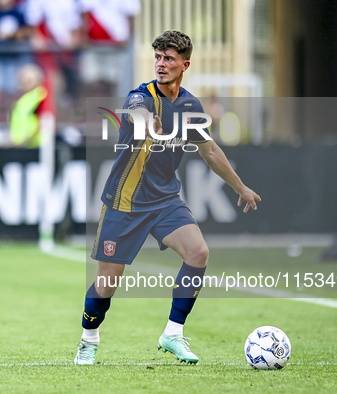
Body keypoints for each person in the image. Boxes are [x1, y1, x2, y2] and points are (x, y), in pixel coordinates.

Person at [74, 30, 261, 365]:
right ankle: (89, 340)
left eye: (169, 58)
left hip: (164, 200)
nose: (161, 64)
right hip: (125, 201)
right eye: (158, 57)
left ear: (184, 64)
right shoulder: (140, 96)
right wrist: (149, 128)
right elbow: (137, 117)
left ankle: (173, 333)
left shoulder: (191, 105)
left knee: (199, 252)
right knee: (106, 285)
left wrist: (240, 187)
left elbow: (211, 151)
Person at [8, 63, 46, 148]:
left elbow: (44, 122)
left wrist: (27, 141)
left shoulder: (40, 96)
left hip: (36, 147)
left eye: (27, 80)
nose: (23, 82)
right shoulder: (24, 99)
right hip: (21, 147)